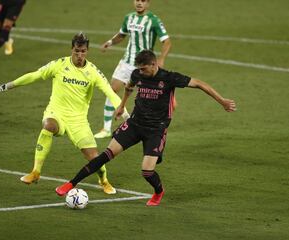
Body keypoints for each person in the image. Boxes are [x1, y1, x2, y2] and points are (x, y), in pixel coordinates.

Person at [55, 50, 237, 206]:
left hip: (156, 129)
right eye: (139, 68)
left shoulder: (169, 78)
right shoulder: (137, 74)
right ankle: (71, 184)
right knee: (106, 154)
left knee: (147, 171)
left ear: (153, 64)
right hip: (135, 124)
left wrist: (222, 101)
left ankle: (158, 192)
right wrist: (121, 105)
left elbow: (199, 83)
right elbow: (129, 87)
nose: (140, 71)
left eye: (143, 68)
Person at [0, 32, 129, 194]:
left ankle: (103, 181)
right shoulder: (59, 65)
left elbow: (110, 93)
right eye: (77, 51)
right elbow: (35, 75)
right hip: (57, 113)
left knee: (95, 158)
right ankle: (35, 172)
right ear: (72, 49)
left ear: (87, 51)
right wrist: (8, 86)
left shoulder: (93, 72)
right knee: (48, 125)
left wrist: (125, 114)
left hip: (78, 121)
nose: (79, 55)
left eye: (83, 51)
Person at [94, 0, 172, 139]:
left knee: (153, 96)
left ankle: (155, 123)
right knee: (112, 89)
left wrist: (161, 59)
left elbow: (166, 41)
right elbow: (122, 34)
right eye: (137, 0)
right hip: (127, 61)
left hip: (144, 65)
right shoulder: (129, 17)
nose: (139, 3)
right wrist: (110, 42)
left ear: (148, 3)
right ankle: (106, 128)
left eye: (143, 0)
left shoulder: (153, 20)